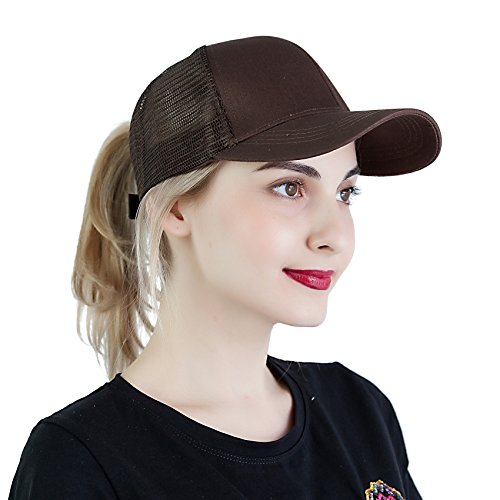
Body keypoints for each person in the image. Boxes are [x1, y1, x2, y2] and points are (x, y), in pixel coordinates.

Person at [9, 35, 441, 499]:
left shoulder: (359, 412)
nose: (334, 236)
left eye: (345, 193)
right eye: (289, 188)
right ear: (175, 208)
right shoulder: (80, 461)